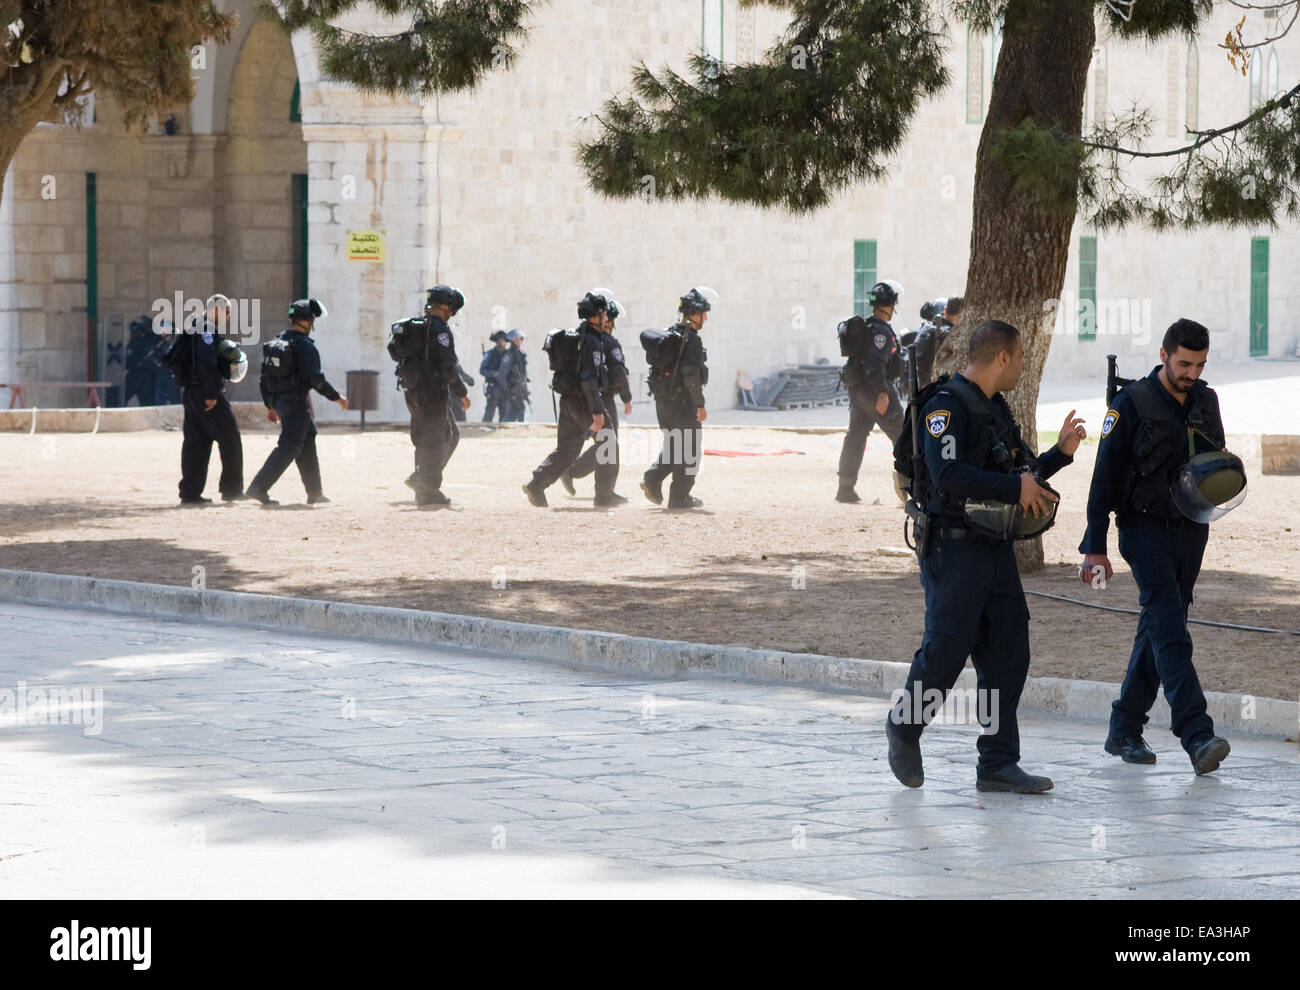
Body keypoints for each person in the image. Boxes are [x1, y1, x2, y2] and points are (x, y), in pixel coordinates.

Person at [886, 319, 1086, 793]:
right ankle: (904, 726)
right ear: (1001, 358)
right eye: (1020, 359)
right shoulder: (945, 407)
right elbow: (949, 473)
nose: (1022, 367)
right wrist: (1015, 486)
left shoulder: (996, 409)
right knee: (946, 654)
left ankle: (997, 762)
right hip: (953, 551)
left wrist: (1058, 455)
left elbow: (1019, 476)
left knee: (1007, 654)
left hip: (994, 551)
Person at [1080, 318, 1235, 776]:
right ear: (1164, 355)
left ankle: (1124, 727)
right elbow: (1102, 478)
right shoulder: (1131, 404)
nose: (1192, 373)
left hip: (1191, 527)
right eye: (1184, 363)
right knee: (1170, 628)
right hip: (1143, 530)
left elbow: (1216, 461)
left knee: (1160, 624)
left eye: (1200, 364)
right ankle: (1196, 733)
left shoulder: (1206, 400)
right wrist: (1095, 547)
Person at [245, 299, 349, 505]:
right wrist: (337, 398)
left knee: (307, 437)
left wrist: (270, 405)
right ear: (309, 321)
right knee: (289, 446)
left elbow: (264, 378)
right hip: (295, 403)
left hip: (281, 402)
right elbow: (316, 380)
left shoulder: (277, 343)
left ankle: (315, 492)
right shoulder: (304, 346)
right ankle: (258, 487)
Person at [522, 293, 609, 507]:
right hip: (583, 401)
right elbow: (589, 378)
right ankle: (605, 495)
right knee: (609, 441)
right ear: (596, 315)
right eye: (604, 312)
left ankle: (537, 483)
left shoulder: (576, 337)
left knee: (567, 448)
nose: (607, 316)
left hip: (568, 400)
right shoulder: (590, 341)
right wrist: (597, 411)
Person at [390, 285, 472, 507]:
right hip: (433, 392)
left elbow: (394, 353)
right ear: (444, 307)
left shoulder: (416, 328)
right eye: (452, 308)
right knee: (437, 439)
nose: (452, 313)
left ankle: (423, 486)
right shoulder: (440, 330)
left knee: (435, 437)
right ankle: (425, 485)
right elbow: (447, 366)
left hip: (413, 390)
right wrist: (462, 392)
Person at [641, 288, 712, 510]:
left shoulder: (670, 334)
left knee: (674, 445)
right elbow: (691, 376)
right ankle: (679, 497)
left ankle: (652, 479)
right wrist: (699, 405)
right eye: (704, 314)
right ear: (695, 314)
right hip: (683, 403)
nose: (706, 318)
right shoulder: (691, 340)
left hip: (664, 402)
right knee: (690, 450)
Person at [837, 280, 905, 503]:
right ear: (890, 305)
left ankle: (845, 489)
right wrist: (883, 393)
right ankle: (909, 489)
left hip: (859, 392)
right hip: (874, 391)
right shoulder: (880, 333)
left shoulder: (869, 327)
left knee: (855, 436)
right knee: (903, 435)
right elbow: (874, 366)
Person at [175, 294, 245, 505]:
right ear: (217, 309)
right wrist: (212, 394)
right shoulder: (206, 328)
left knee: (197, 442)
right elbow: (206, 362)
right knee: (230, 438)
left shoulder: (192, 325)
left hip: (190, 391)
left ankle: (190, 492)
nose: (228, 316)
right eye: (227, 312)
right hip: (205, 393)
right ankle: (232, 489)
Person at [562, 300, 633, 506]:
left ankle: (603, 488)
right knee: (609, 443)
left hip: (595, 397)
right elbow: (619, 373)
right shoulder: (607, 342)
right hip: (604, 398)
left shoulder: (593, 339)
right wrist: (626, 397)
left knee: (606, 443)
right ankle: (583, 477)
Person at [500, 329, 530, 421]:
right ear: (511, 341)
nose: (518, 341)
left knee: (517, 412)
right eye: (515, 339)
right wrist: (507, 389)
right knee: (513, 412)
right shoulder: (508, 355)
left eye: (520, 339)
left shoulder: (521, 354)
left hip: (519, 389)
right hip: (511, 389)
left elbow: (523, 374)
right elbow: (502, 374)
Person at [480, 331, 510, 422]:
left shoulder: (509, 355)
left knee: (505, 413)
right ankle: (485, 429)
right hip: (493, 388)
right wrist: (494, 374)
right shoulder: (489, 354)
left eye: (503, 340)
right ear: (496, 342)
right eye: (499, 340)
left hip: (505, 388)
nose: (501, 342)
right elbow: (482, 370)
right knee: (490, 411)